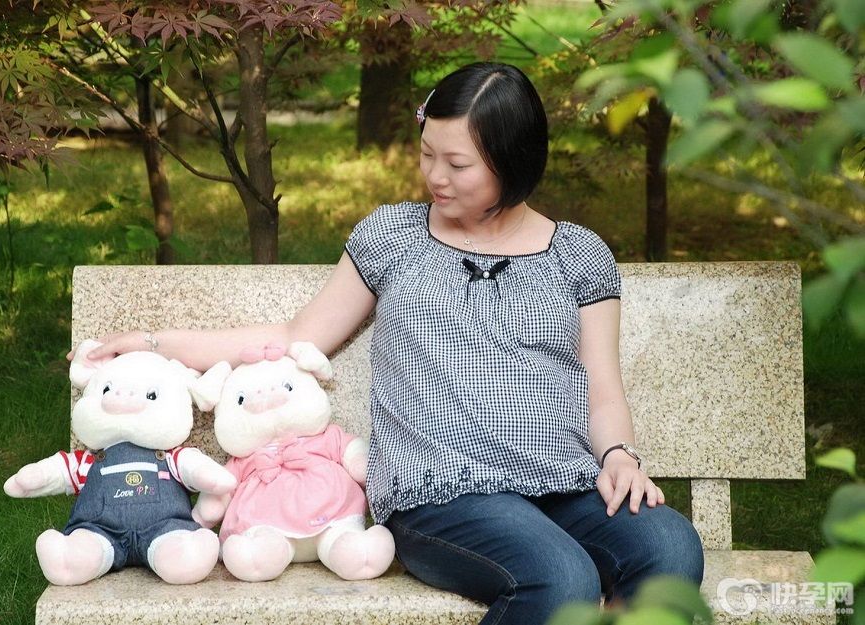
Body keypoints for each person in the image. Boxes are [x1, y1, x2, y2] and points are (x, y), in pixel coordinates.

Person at [73, 62, 704, 624]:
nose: (435, 176)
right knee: (562, 579)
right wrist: (153, 341)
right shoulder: (395, 237)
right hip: (443, 495)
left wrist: (619, 456)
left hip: (561, 482)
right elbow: (295, 337)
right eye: (428, 154)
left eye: (458, 164)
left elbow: (602, 389)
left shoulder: (579, 255)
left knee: (670, 547)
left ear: (513, 161)